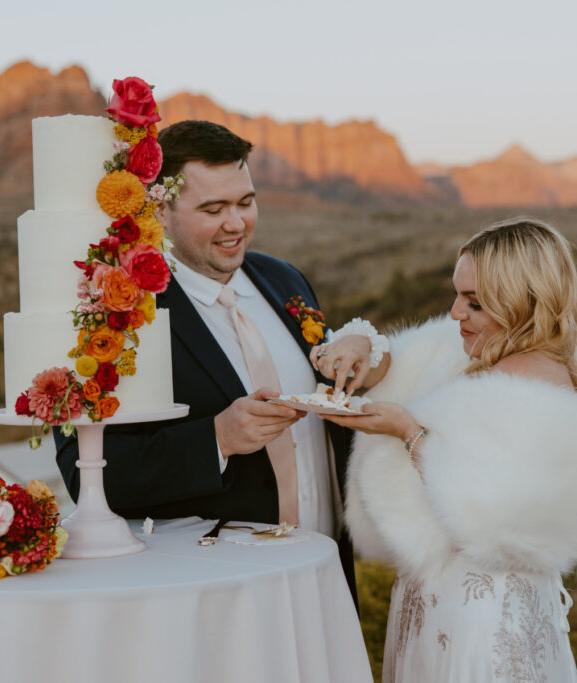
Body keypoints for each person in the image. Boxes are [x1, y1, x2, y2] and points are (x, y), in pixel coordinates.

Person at [315, 218, 577, 681]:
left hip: (481, 614)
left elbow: (494, 521)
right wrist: (362, 343)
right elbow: (410, 360)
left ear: (521, 303)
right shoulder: (486, 352)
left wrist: (409, 431)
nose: (455, 313)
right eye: (458, 294)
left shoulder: (531, 383)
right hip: (440, 601)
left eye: (474, 303)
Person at [54, 120, 361, 595]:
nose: (236, 224)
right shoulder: (115, 313)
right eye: (213, 208)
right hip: (215, 590)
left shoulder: (286, 280)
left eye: (246, 202)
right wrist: (217, 438)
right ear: (161, 209)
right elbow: (88, 473)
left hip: (326, 571)